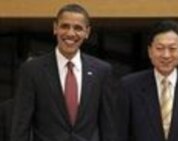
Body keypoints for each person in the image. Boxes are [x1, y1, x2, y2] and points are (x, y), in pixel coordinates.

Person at [11, 3, 116, 141]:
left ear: (87, 32)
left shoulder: (102, 71)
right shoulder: (32, 70)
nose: (70, 33)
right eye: (65, 26)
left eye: (78, 28)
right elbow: (21, 125)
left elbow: (108, 125)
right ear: (55, 28)